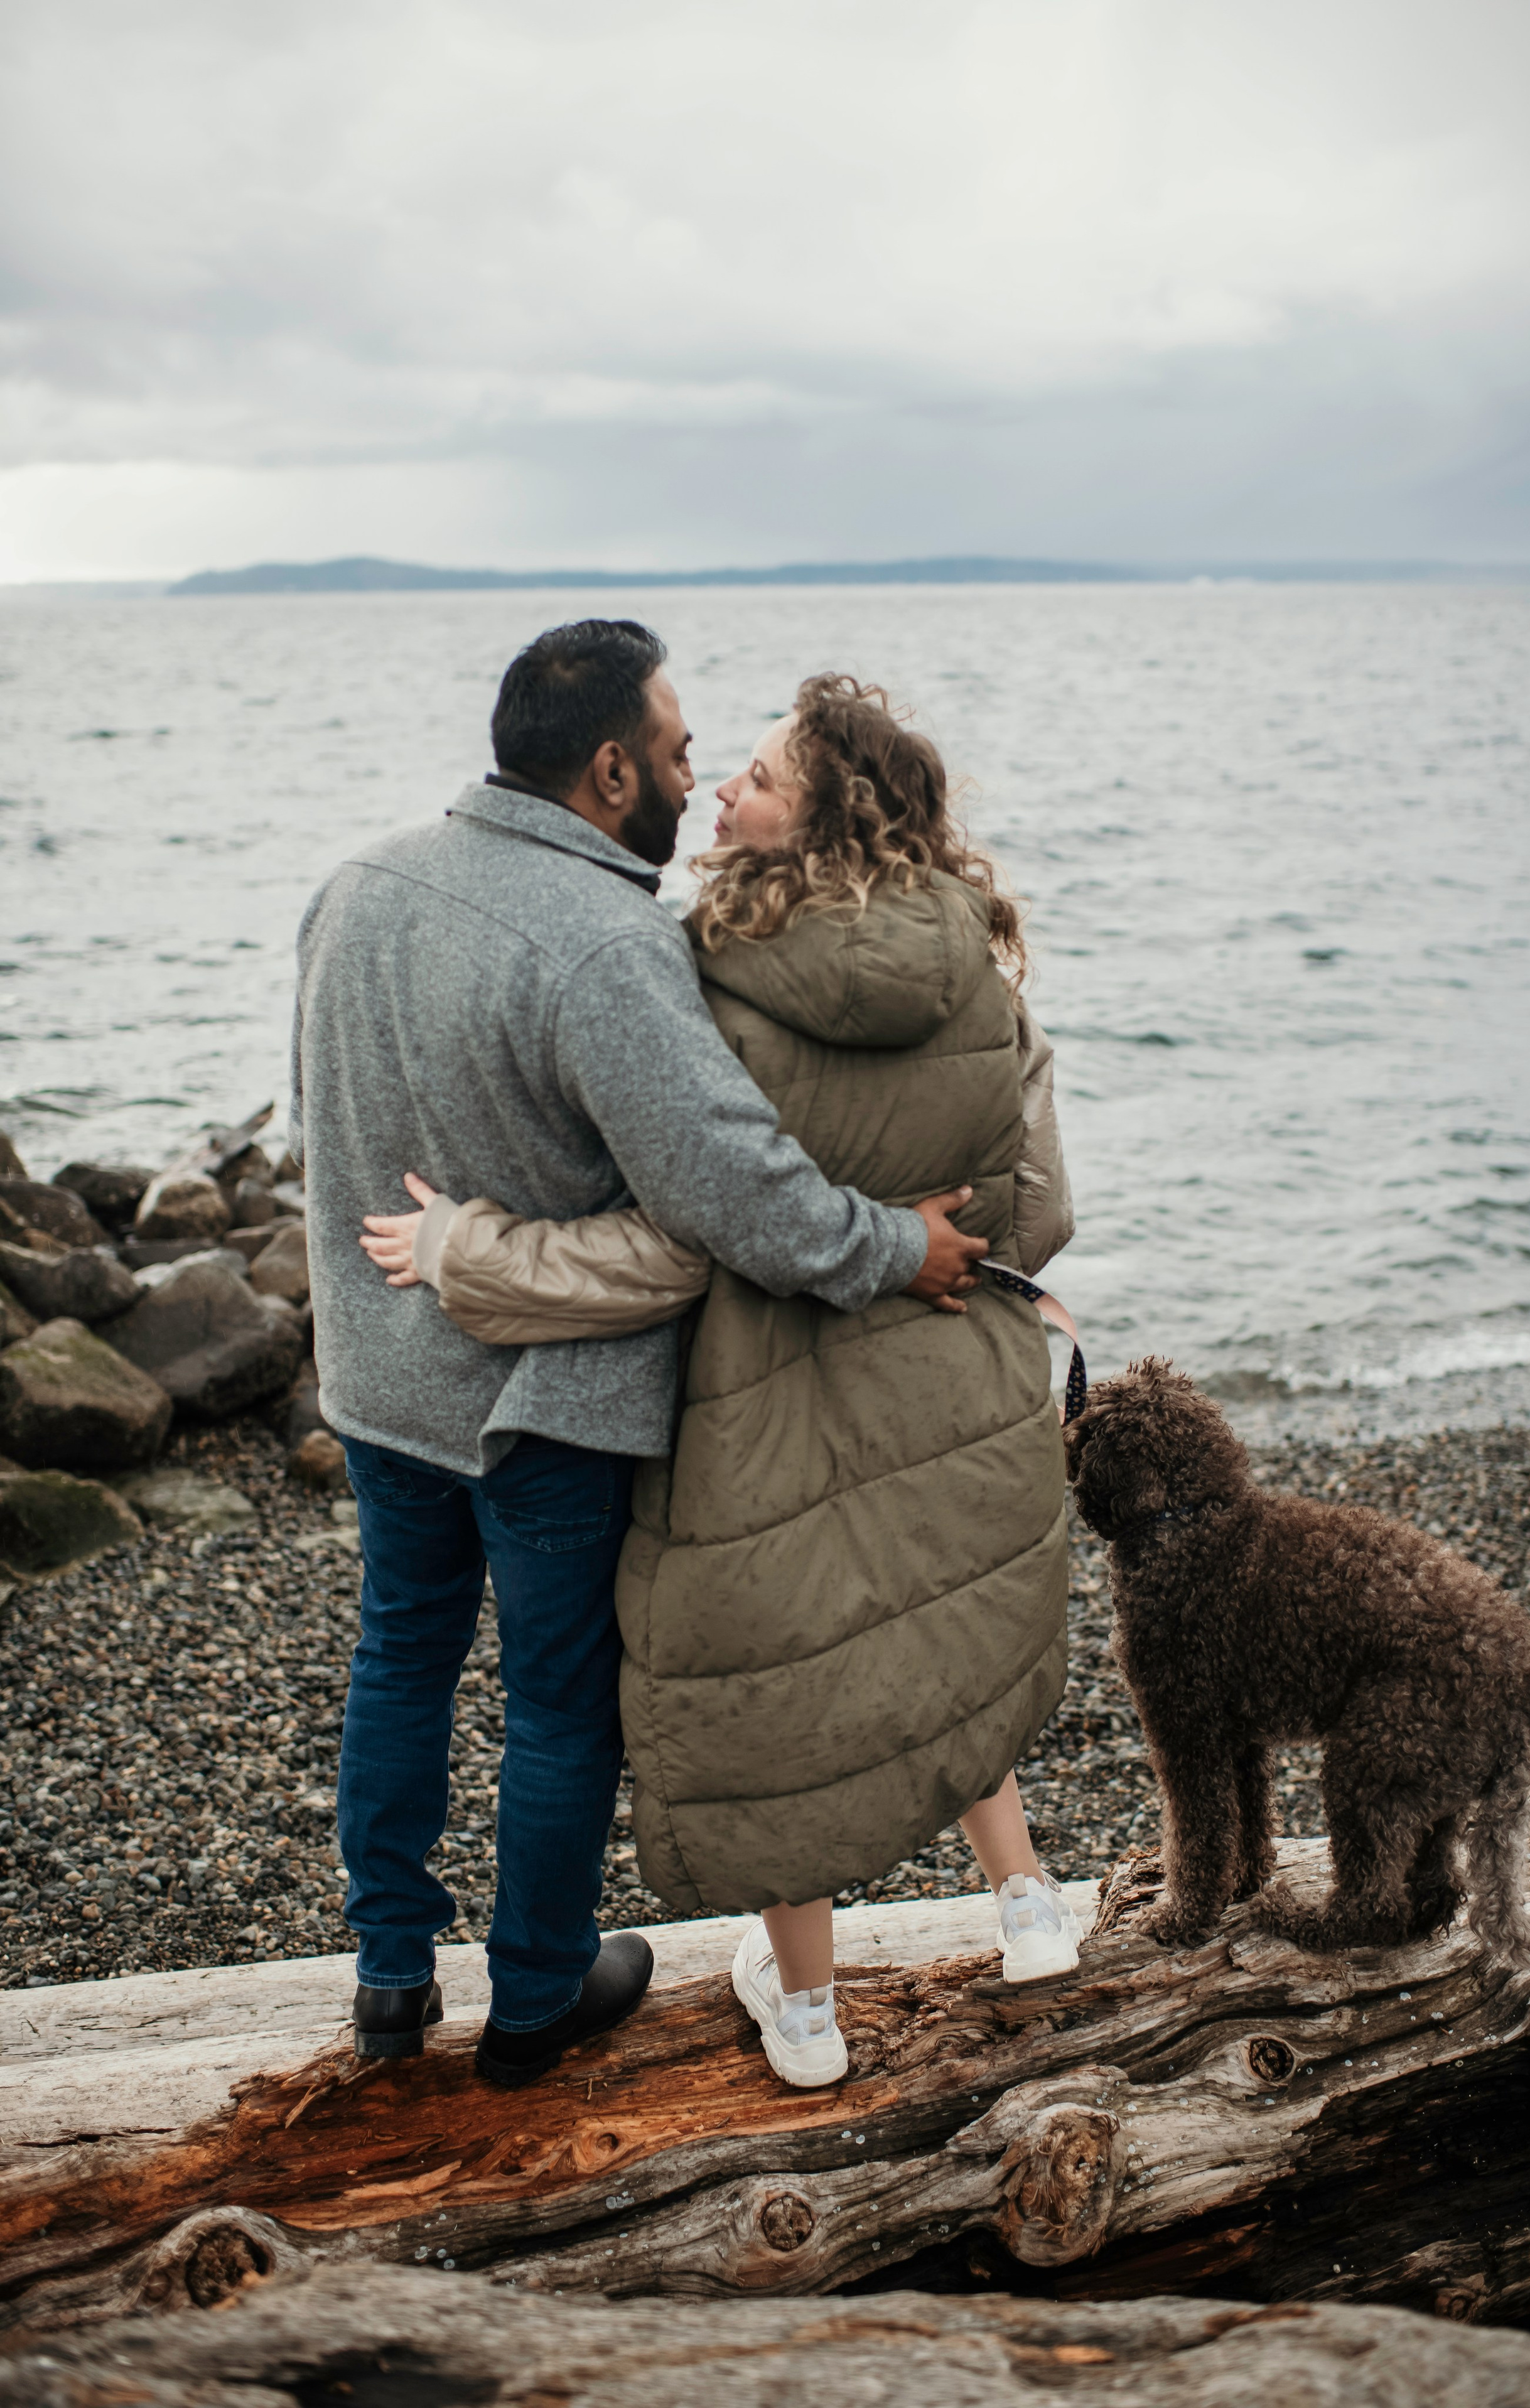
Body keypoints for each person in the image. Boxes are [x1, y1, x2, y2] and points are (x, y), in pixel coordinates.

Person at [289, 624, 988, 2088]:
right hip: (536, 1407)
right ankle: (537, 1995)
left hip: (378, 1379)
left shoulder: (353, 884)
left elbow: (334, 1131)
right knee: (554, 1705)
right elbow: (740, 1193)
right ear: (609, 771)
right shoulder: (606, 943)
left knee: (399, 1659)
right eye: (676, 753)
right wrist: (897, 1248)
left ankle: (390, 1979)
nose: (690, 778)